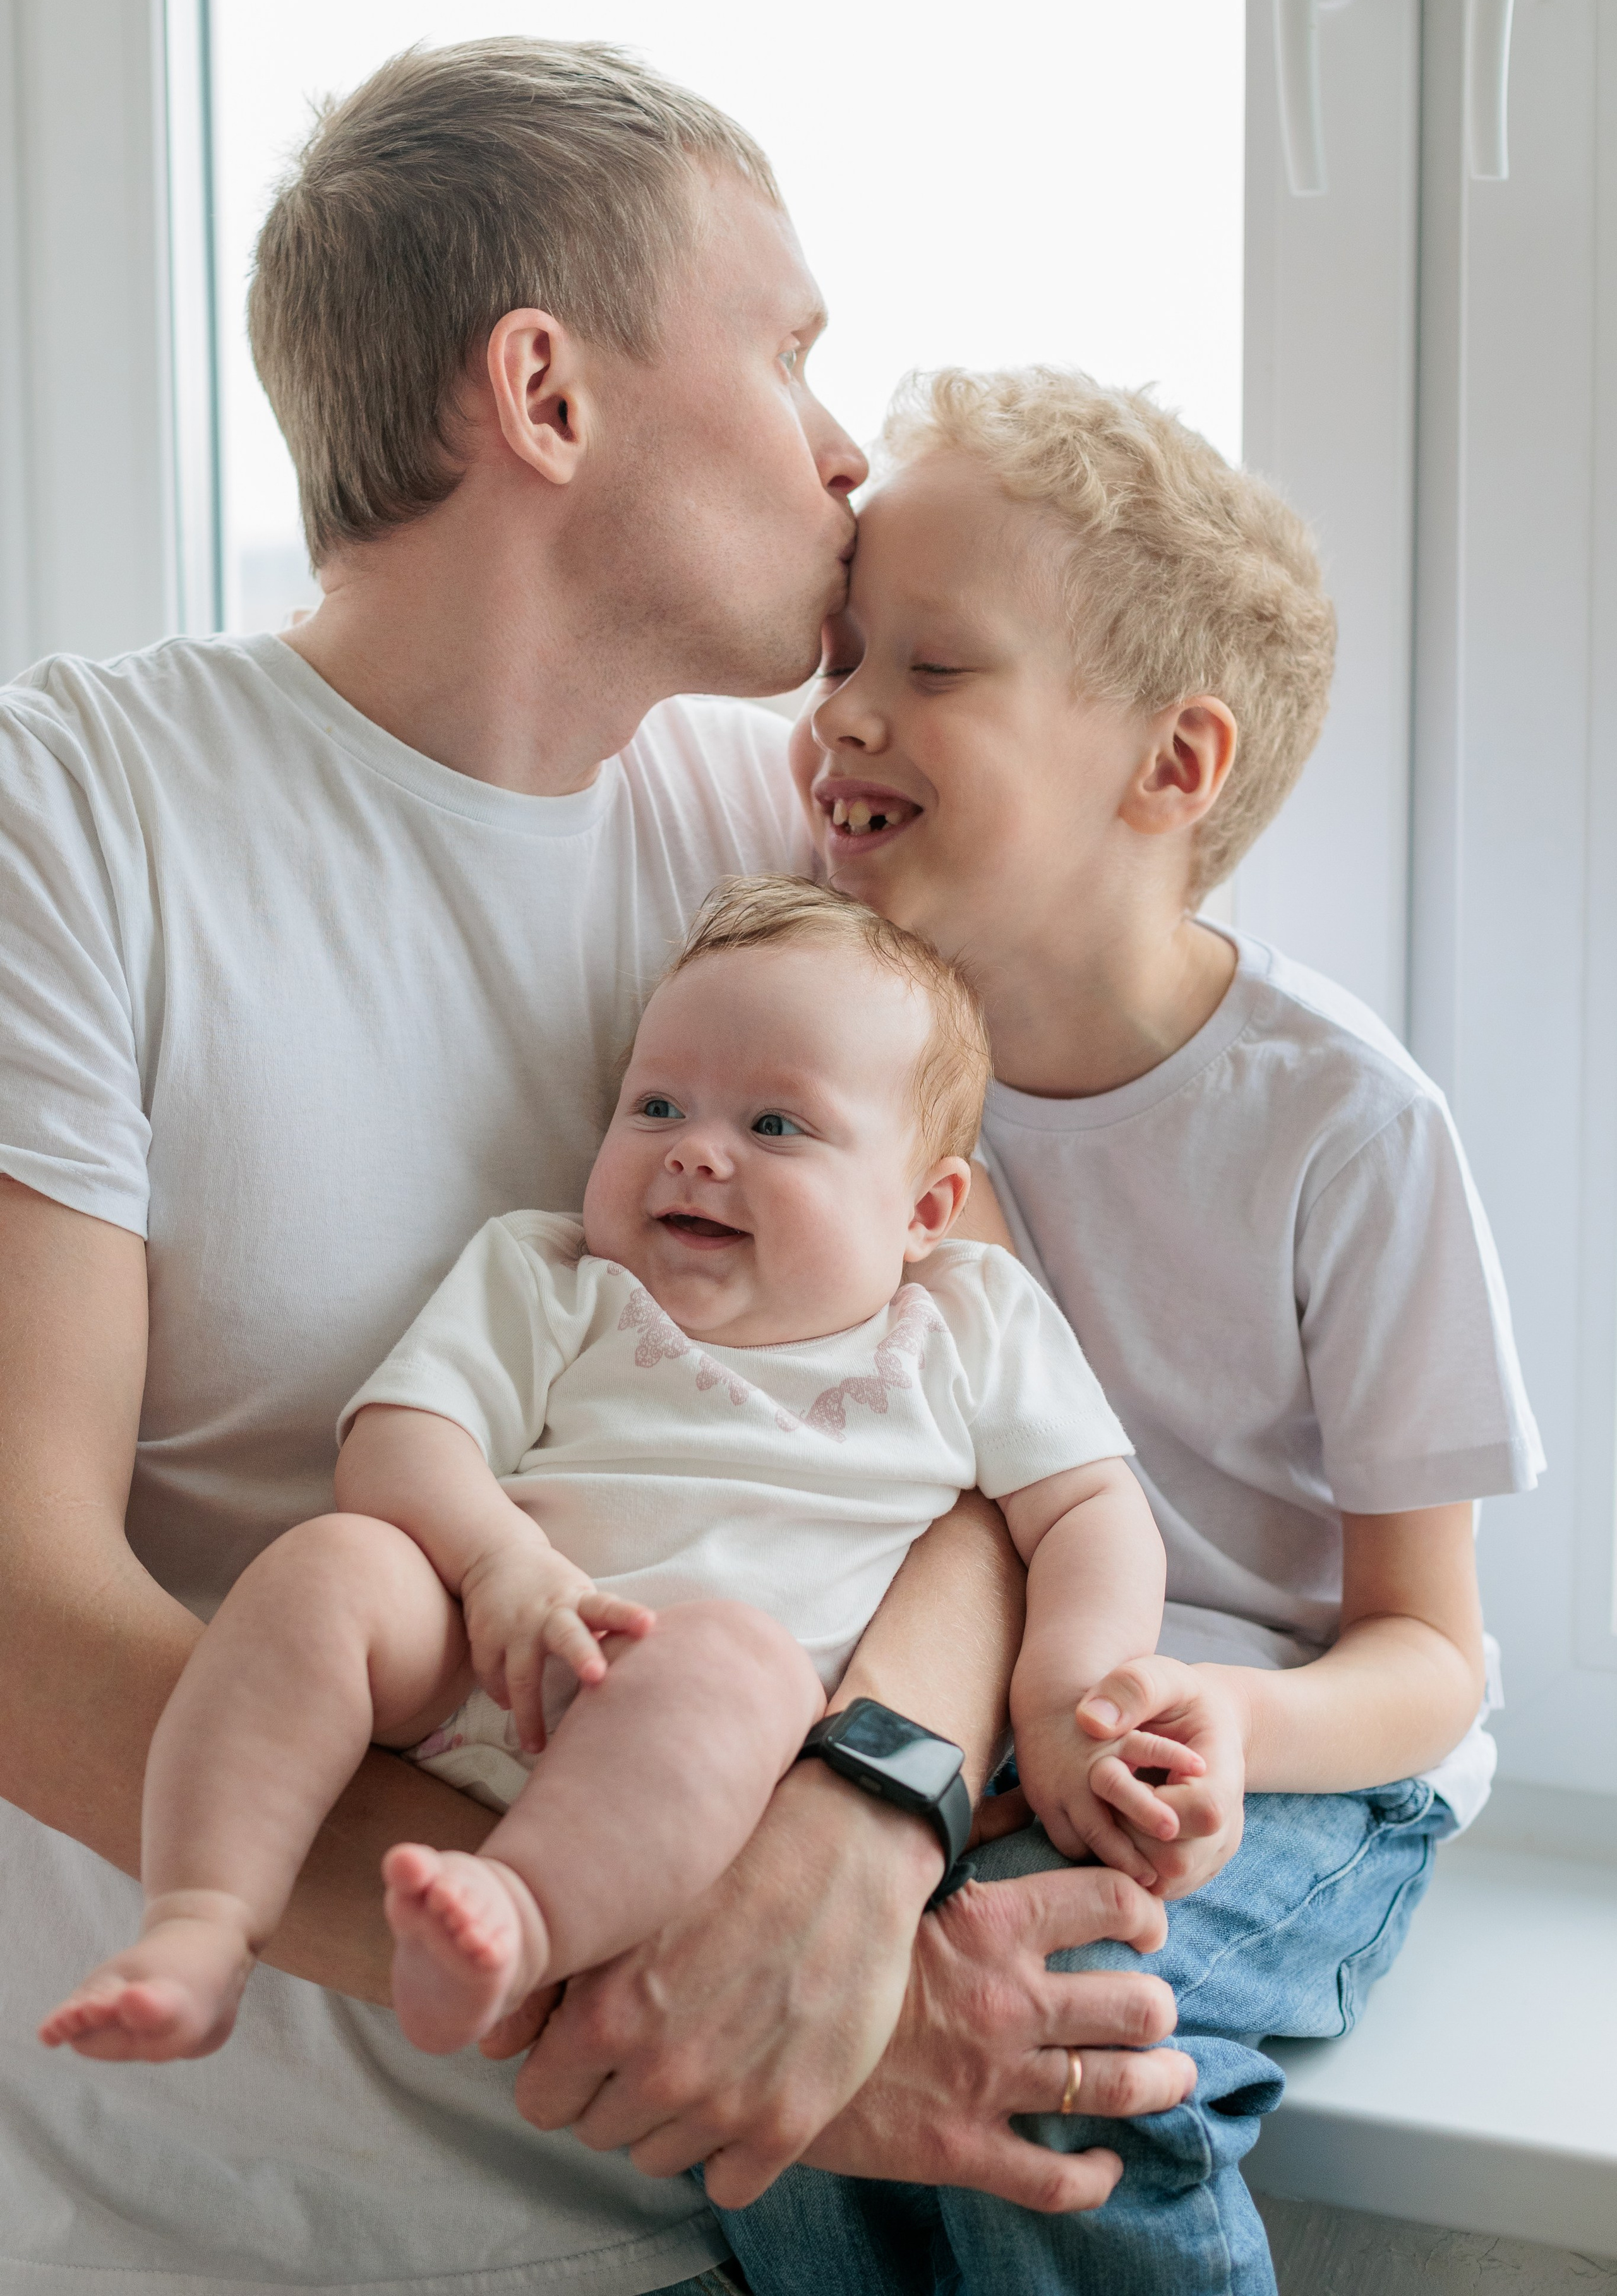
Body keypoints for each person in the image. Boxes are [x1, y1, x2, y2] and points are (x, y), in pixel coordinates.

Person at [0, 47, 1193, 2296]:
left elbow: (977, 1408)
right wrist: (658, 1991)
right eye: (790, 351)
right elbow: (19, 1625)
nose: (849, 455)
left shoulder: (775, 829)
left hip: (745, 2226)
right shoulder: (75, 821)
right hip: (229, 2235)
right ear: (544, 395)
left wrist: (865, 1817)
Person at [728, 364, 1544, 2296]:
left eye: (933, 666)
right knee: (803, 1993)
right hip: (971, 1716)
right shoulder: (836, 1053)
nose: (842, 709)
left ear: (1171, 768)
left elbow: (1433, 1652)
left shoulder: (1343, 1124)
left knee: (1045, 1998)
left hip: (1292, 1770)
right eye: (844, 653)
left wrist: (1226, 1723)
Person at [43, 876, 1199, 2068]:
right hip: (489, 1660)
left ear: (926, 1209)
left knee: (736, 1656)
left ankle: (516, 1927)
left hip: (707, 1770)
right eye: (655, 1106)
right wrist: (503, 1567)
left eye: (774, 1127)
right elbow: (398, 1438)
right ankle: (199, 1922)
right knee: (337, 1565)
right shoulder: (558, 1278)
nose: (696, 1153)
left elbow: (1089, 1511)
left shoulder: (967, 1320)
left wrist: (1067, 1699)